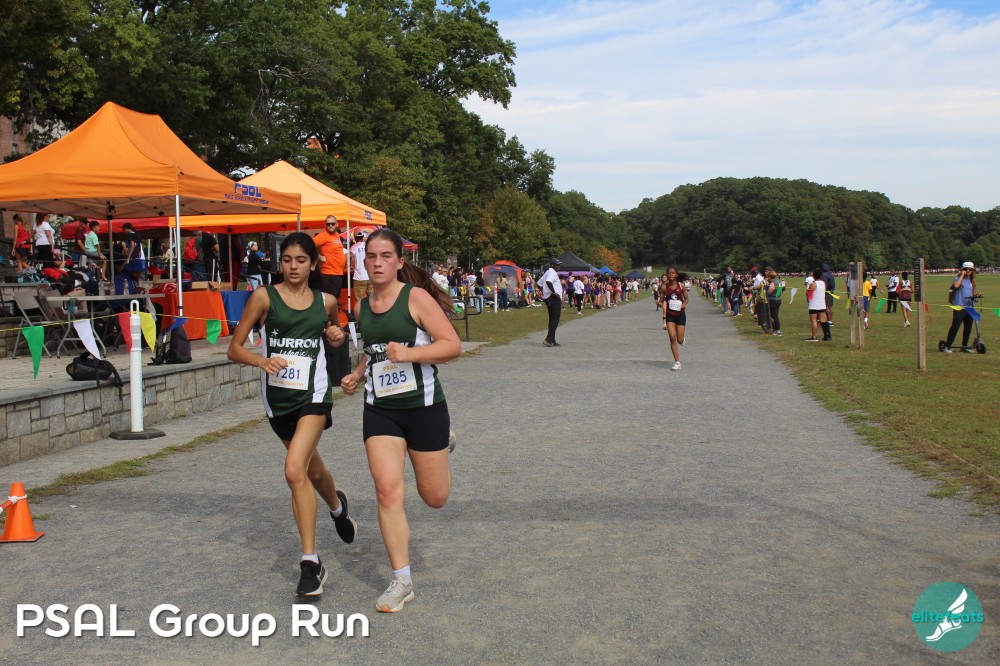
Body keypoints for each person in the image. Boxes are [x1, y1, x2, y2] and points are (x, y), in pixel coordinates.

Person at [226, 232, 356, 596]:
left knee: (294, 469)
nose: (293, 267)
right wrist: (261, 361)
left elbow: (334, 331)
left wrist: (336, 336)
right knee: (311, 469)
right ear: (279, 263)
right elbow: (234, 349)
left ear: (313, 264)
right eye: (287, 260)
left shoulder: (326, 301)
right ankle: (337, 506)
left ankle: (310, 563)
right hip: (278, 398)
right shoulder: (264, 297)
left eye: (301, 260)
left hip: (313, 395)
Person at [338, 228, 460, 613]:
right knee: (387, 491)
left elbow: (452, 345)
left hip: (424, 408)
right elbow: (374, 351)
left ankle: (442, 441)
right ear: (363, 261)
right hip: (381, 410)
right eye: (371, 256)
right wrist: (358, 374)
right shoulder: (361, 308)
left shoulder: (416, 298)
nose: (377, 263)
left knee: (435, 498)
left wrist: (409, 354)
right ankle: (401, 581)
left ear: (399, 261)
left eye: (385, 256)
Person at [943, 262, 983, 353]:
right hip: (959, 307)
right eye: (966, 269)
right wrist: (962, 275)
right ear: (962, 270)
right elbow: (956, 286)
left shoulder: (972, 281)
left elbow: (972, 294)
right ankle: (947, 346)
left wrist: (978, 295)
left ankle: (964, 347)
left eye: (970, 269)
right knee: (955, 326)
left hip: (970, 307)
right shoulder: (957, 278)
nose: (968, 271)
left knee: (968, 328)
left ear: (972, 270)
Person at [315, 215, 347, 300]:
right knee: (330, 301)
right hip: (328, 274)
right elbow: (310, 244)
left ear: (337, 224)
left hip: (337, 273)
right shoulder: (323, 235)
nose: (330, 226)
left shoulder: (336, 235)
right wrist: (319, 256)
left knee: (334, 300)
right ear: (325, 225)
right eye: (328, 224)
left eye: (332, 224)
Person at [662, 267, 688, 370]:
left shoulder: (681, 286)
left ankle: (682, 340)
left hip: (680, 314)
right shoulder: (664, 287)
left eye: (673, 273)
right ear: (667, 275)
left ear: (676, 275)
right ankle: (677, 362)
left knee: (679, 340)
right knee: (672, 337)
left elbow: (687, 299)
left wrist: (683, 305)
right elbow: (662, 300)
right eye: (669, 273)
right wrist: (662, 304)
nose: (671, 274)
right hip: (670, 315)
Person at [539, 258, 563, 346]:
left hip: (548, 298)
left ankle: (551, 338)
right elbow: (548, 281)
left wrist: (545, 293)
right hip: (554, 298)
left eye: (559, 264)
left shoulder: (548, 272)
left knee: (552, 318)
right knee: (555, 319)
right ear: (552, 265)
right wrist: (553, 292)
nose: (559, 266)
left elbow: (539, 283)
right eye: (557, 264)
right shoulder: (552, 272)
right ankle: (549, 339)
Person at [806, 268, 831, 341]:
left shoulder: (813, 284)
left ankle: (814, 337)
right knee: (823, 320)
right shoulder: (823, 283)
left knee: (813, 320)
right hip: (822, 304)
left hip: (814, 304)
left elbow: (808, 293)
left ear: (814, 276)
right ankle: (827, 335)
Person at [349, 231, 370, 306]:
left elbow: (351, 257)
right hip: (370, 277)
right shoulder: (368, 246)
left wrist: (352, 266)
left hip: (359, 278)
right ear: (363, 237)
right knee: (373, 299)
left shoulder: (353, 247)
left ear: (355, 238)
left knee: (359, 301)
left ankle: (361, 313)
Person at [765, 268, 783, 336]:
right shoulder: (778, 282)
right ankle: (776, 330)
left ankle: (777, 331)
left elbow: (770, 292)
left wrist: (766, 290)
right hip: (778, 300)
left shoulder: (773, 283)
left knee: (774, 316)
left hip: (773, 301)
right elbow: (780, 291)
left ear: (770, 276)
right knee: (775, 316)